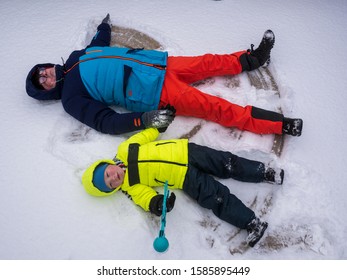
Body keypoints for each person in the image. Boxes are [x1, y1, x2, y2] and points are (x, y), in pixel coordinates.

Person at [26, 14, 303, 137]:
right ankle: (280, 125)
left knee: (208, 62)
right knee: (215, 108)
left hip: (157, 64)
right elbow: (105, 122)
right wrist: (143, 120)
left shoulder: (75, 58)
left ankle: (253, 59)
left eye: (43, 71)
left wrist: (103, 28)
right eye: (44, 82)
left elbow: (97, 47)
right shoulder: (71, 99)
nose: (47, 75)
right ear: (47, 91)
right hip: (154, 94)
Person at [82, 127, 285, 247]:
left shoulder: (125, 149)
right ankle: (252, 223)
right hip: (183, 178)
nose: (113, 178)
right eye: (110, 184)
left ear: (105, 164)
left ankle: (265, 172)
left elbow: (145, 136)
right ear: (113, 189)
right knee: (215, 197)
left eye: (107, 174)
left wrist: (158, 123)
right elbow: (144, 197)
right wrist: (157, 203)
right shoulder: (130, 186)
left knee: (226, 162)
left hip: (186, 151)